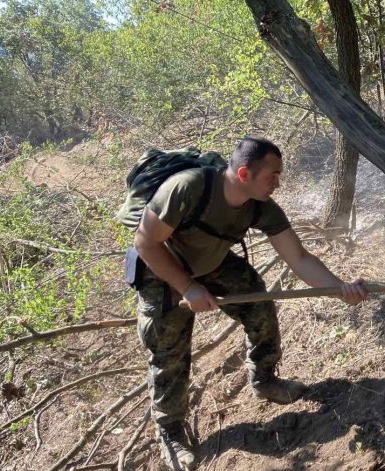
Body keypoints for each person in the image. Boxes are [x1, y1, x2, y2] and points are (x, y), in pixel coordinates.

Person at [133, 137, 368, 470]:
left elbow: (299, 258)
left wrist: (340, 289)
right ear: (244, 173)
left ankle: (264, 378)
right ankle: (171, 431)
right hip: (162, 268)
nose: (278, 183)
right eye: (272, 176)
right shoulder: (186, 188)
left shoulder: (261, 206)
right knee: (168, 349)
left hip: (211, 263)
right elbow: (145, 242)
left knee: (259, 304)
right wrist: (187, 287)